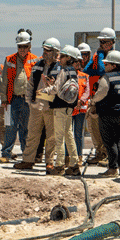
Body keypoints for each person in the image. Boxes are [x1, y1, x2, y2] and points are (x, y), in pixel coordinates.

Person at [14, 37, 61, 171]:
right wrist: (30, 101)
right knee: (32, 134)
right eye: (44, 50)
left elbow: (57, 89)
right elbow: (30, 85)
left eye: (48, 50)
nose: (45, 53)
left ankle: (49, 163)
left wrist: (42, 96)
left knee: (51, 137)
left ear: (55, 52)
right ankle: (28, 160)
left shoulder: (59, 68)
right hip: (36, 107)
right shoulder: (38, 65)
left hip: (50, 107)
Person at [92, 50, 120, 178]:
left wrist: (92, 101)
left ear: (114, 65)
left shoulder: (106, 78)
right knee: (118, 140)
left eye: (107, 64)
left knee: (109, 141)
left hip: (108, 112)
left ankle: (112, 168)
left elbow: (101, 93)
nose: (105, 66)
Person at [1, 29, 38, 159]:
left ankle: (26, 154)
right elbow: (4, 81)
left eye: (25, 46)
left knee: (26, 128)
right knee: (10, 126)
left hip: (28, 100)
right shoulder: (9, 59)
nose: (22, 49)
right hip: (13, 100)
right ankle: (6, 153)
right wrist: (4, 99)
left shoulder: (35, 60)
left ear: (29, 47)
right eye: (20, 46)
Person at [47, 45, 82, 176]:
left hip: (60, 108)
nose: (59, 58)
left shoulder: (63, 71)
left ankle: (59, 165)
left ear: (69, 58)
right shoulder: (74, 72)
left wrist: (45, 90)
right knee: (69, 135)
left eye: (62, 56)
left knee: (59, 137)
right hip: (69, 108)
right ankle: (74, 164)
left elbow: (56, 89)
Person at [84, 28, 117, 165]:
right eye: (101, 42)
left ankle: (108, 155)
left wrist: (101, 56)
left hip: (108, 98)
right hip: (96, 96)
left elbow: (102, 70)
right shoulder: (98, 55)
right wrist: (99, 57)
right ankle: (100, 152)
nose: (102, 44)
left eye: (105, 42)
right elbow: (87, 70)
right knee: (93, 127)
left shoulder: (114, 56)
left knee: (106, 129)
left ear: (112, 42)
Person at [72, 43, 92, 158]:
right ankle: (68, 156)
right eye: (76, 61)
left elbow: (87, 91)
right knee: (68, 134)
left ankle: (79, 155)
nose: (78, 63)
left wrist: (81, 101)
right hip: (70, 108)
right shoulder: (67, 74)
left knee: (78, 133)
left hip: (80, 109)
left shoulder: (84, 75)